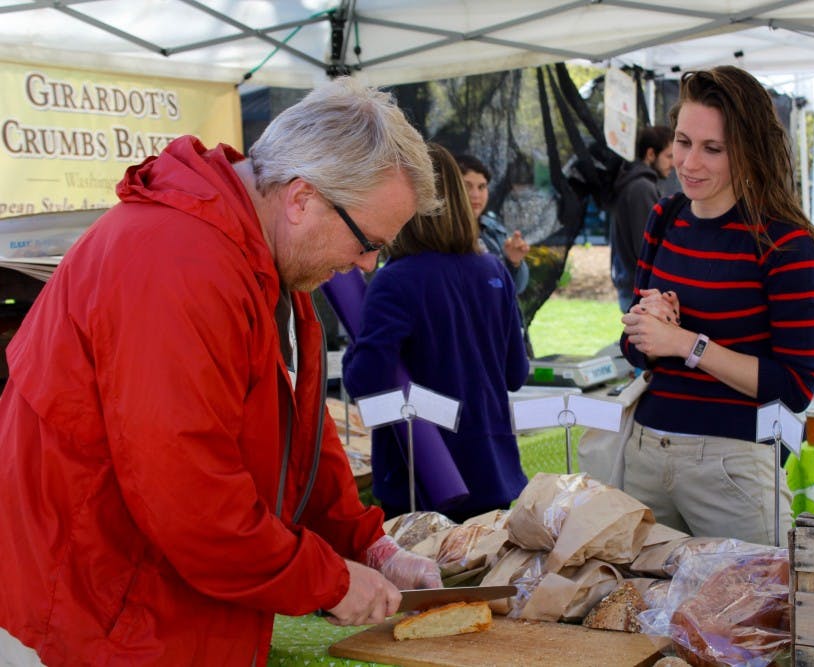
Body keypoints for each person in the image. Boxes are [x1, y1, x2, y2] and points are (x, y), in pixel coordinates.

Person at [0, 78, 445, 666]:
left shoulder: (259, 251)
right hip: (108, 606)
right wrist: (330, 580)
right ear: (301, 197)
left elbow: (294, 431)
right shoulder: (178, 263)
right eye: (368, 241)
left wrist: (365, 543)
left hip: (162, 600)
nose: (366, 265)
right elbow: (191, 498)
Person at [619, 66, 814, 547]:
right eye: (683, 142)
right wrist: (648, 328)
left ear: (748, 152)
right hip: (647, 452)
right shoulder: (663, 217)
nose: (690, 163)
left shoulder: (784, 241)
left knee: (750, 617)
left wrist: (688, 344)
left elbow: (795, 388)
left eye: (712, 149)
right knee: (644, 615)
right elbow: (632, 350)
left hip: (732, 467)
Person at [342, 143, 530, 524]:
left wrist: (355, 345)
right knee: (488, 581)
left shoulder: (395, 280)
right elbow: (516, 374)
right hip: (493, 470)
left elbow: (366, 381)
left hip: (420, 478)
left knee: (429, 583)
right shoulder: (493, 270)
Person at [610, 125, 674, 312]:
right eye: (669, 156)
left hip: (634, 287)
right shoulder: (641, 188)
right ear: (651, 154)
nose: (674, 163)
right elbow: (646, 247)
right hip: (640, 292)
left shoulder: (635, 183)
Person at [455, 153, 531, 295]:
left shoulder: (493, 230)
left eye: (482, 187)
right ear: (447, 189)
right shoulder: (435, 235)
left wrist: (514, 263)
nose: (476, 195)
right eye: (467, 186)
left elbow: (517, 289)